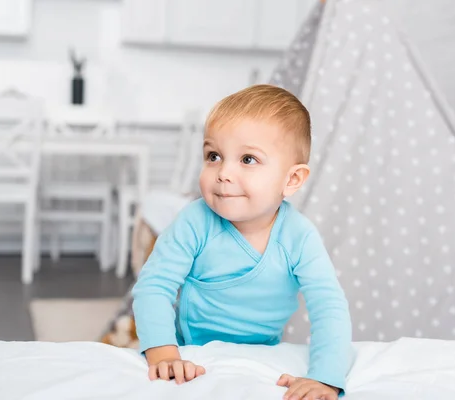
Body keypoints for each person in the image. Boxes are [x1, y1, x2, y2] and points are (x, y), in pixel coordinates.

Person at [132, 84, 352, 400]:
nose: (223, 173)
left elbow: (329, 307)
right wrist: (164, 353)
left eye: (247, 159)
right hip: (192, 349)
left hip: (262, 355)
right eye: (214, 156)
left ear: (291, 180)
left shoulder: (299, 236)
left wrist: (325, 377)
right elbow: (154, 286)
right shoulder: (195, 221)